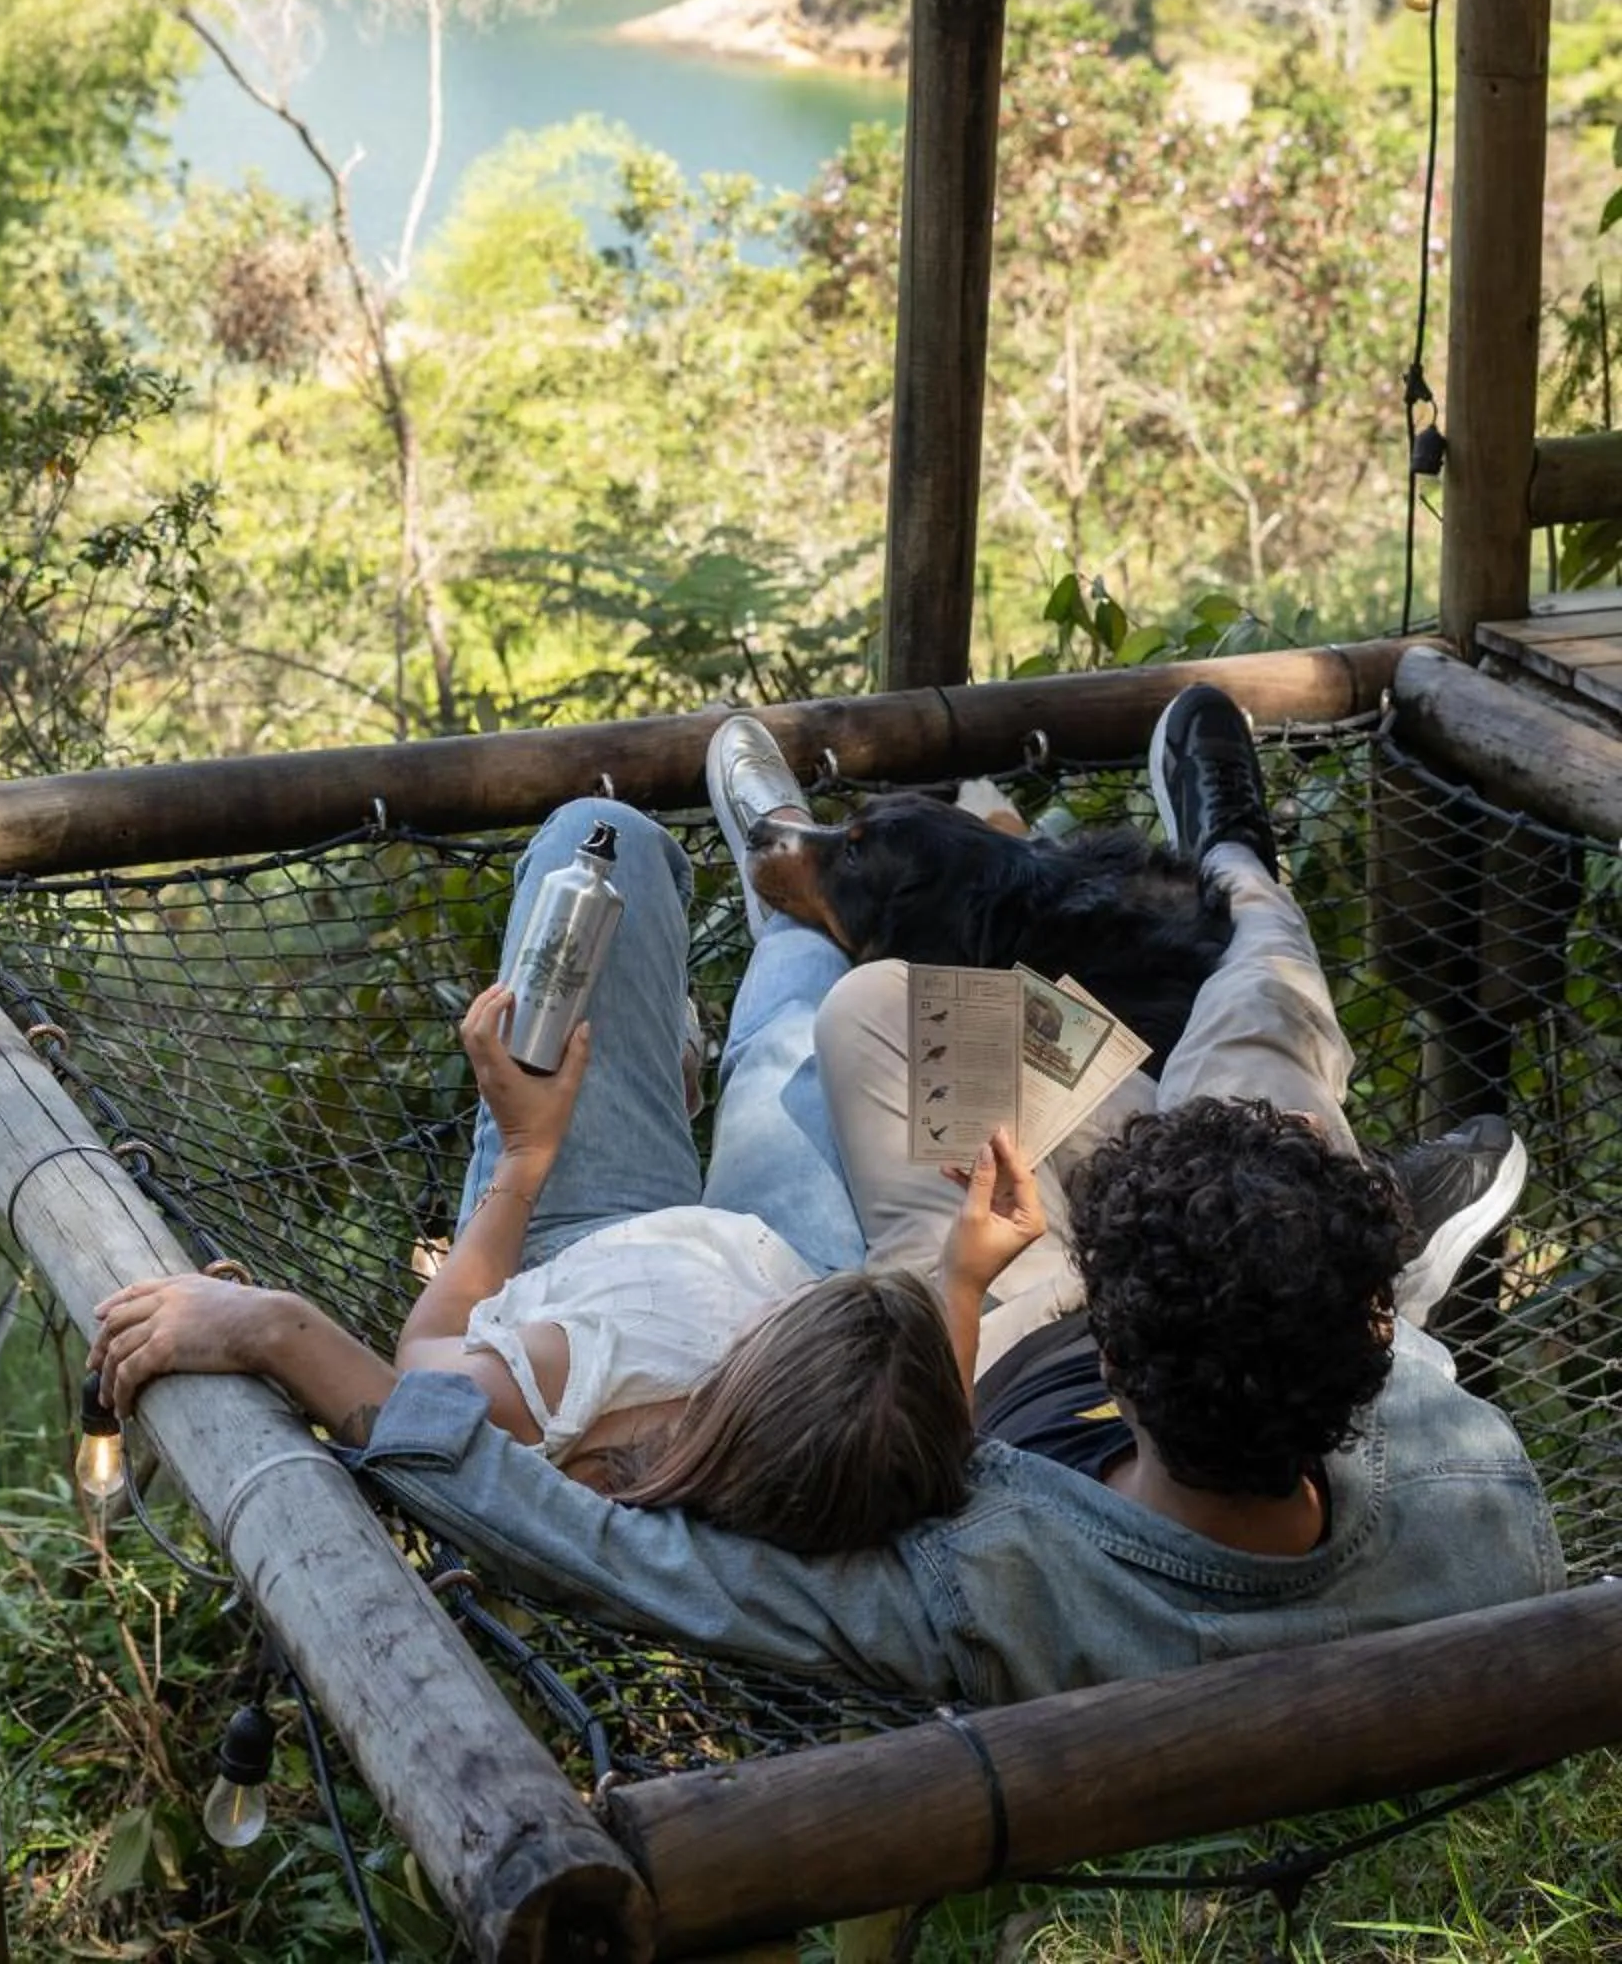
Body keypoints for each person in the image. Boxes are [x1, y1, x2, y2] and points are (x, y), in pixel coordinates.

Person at [346, 688, 1564, 1701]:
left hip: (985, 1325)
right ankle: (1235, 867)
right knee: (1247, 1033)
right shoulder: (1472, 1502)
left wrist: (963, 1284)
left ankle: (810, 898)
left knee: (841, 1014)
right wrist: (1318, 1251)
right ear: (1370, 1332)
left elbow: (637, 1562)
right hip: (1146, 1285)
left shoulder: (985, 1581)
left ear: (1114, 1354)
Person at [90, 797, 1043, 1556]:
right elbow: (935, 1431)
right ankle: (780, 924)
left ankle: (710, 993)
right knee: (799, 1025)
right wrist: (960, 1280)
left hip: (594, 1250)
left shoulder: (561, 1384)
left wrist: (526, 1153)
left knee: (600, 836)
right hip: (801, 1281)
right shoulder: (852, 1416)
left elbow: (419, 1367)